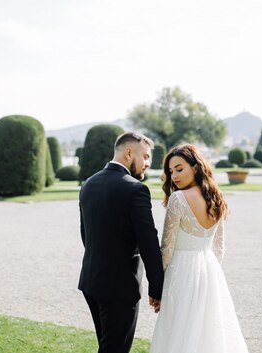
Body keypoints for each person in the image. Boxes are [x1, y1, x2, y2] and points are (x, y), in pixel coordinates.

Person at [150, 143, 249, 353]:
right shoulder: (216, 196)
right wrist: (210, 270)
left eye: (179, 169)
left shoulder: (178, 199)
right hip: (209, 270)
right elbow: (219, 247)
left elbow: (166, 249)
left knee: (179, 330)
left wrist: (158, 288)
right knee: (206, 332)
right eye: (170, 171)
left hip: (181, 272)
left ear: (195, 168)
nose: (174, 176)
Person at [78, 132, 164, 353]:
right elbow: (148, 242)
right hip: (120, 288)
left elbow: (86, 235)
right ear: (128, 153)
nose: (147, 163)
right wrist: (157, 288)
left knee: (107, 346)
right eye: (145, 156)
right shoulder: (135, 189)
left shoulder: (88, 184)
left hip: (92, 281)